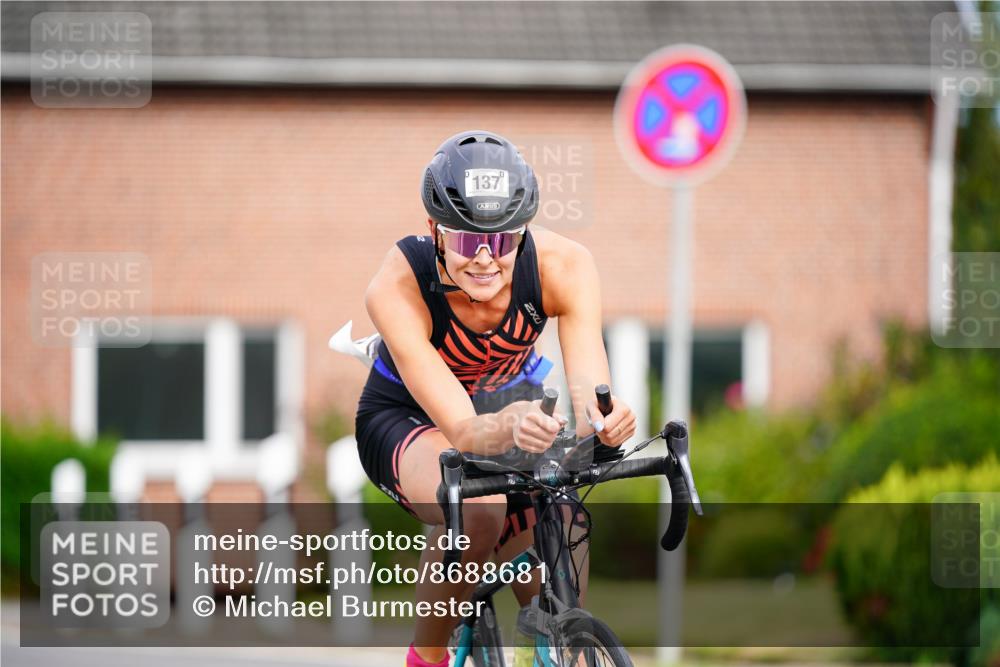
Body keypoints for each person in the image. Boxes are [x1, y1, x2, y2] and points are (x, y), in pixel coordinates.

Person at [355, 130, 637, 667]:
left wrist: (607, 420)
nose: (485, 258)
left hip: (513, 401)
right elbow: (463, 432)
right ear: (434, 230)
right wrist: (507, 426)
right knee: (479, 509)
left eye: (503, 240)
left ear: (524, 232)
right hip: (406, 417)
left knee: (565, 517)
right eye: (466, 241)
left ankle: (557, 648)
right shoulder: (398, 284)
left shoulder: (565, 266)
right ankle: (427, 656)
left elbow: (588, 393)